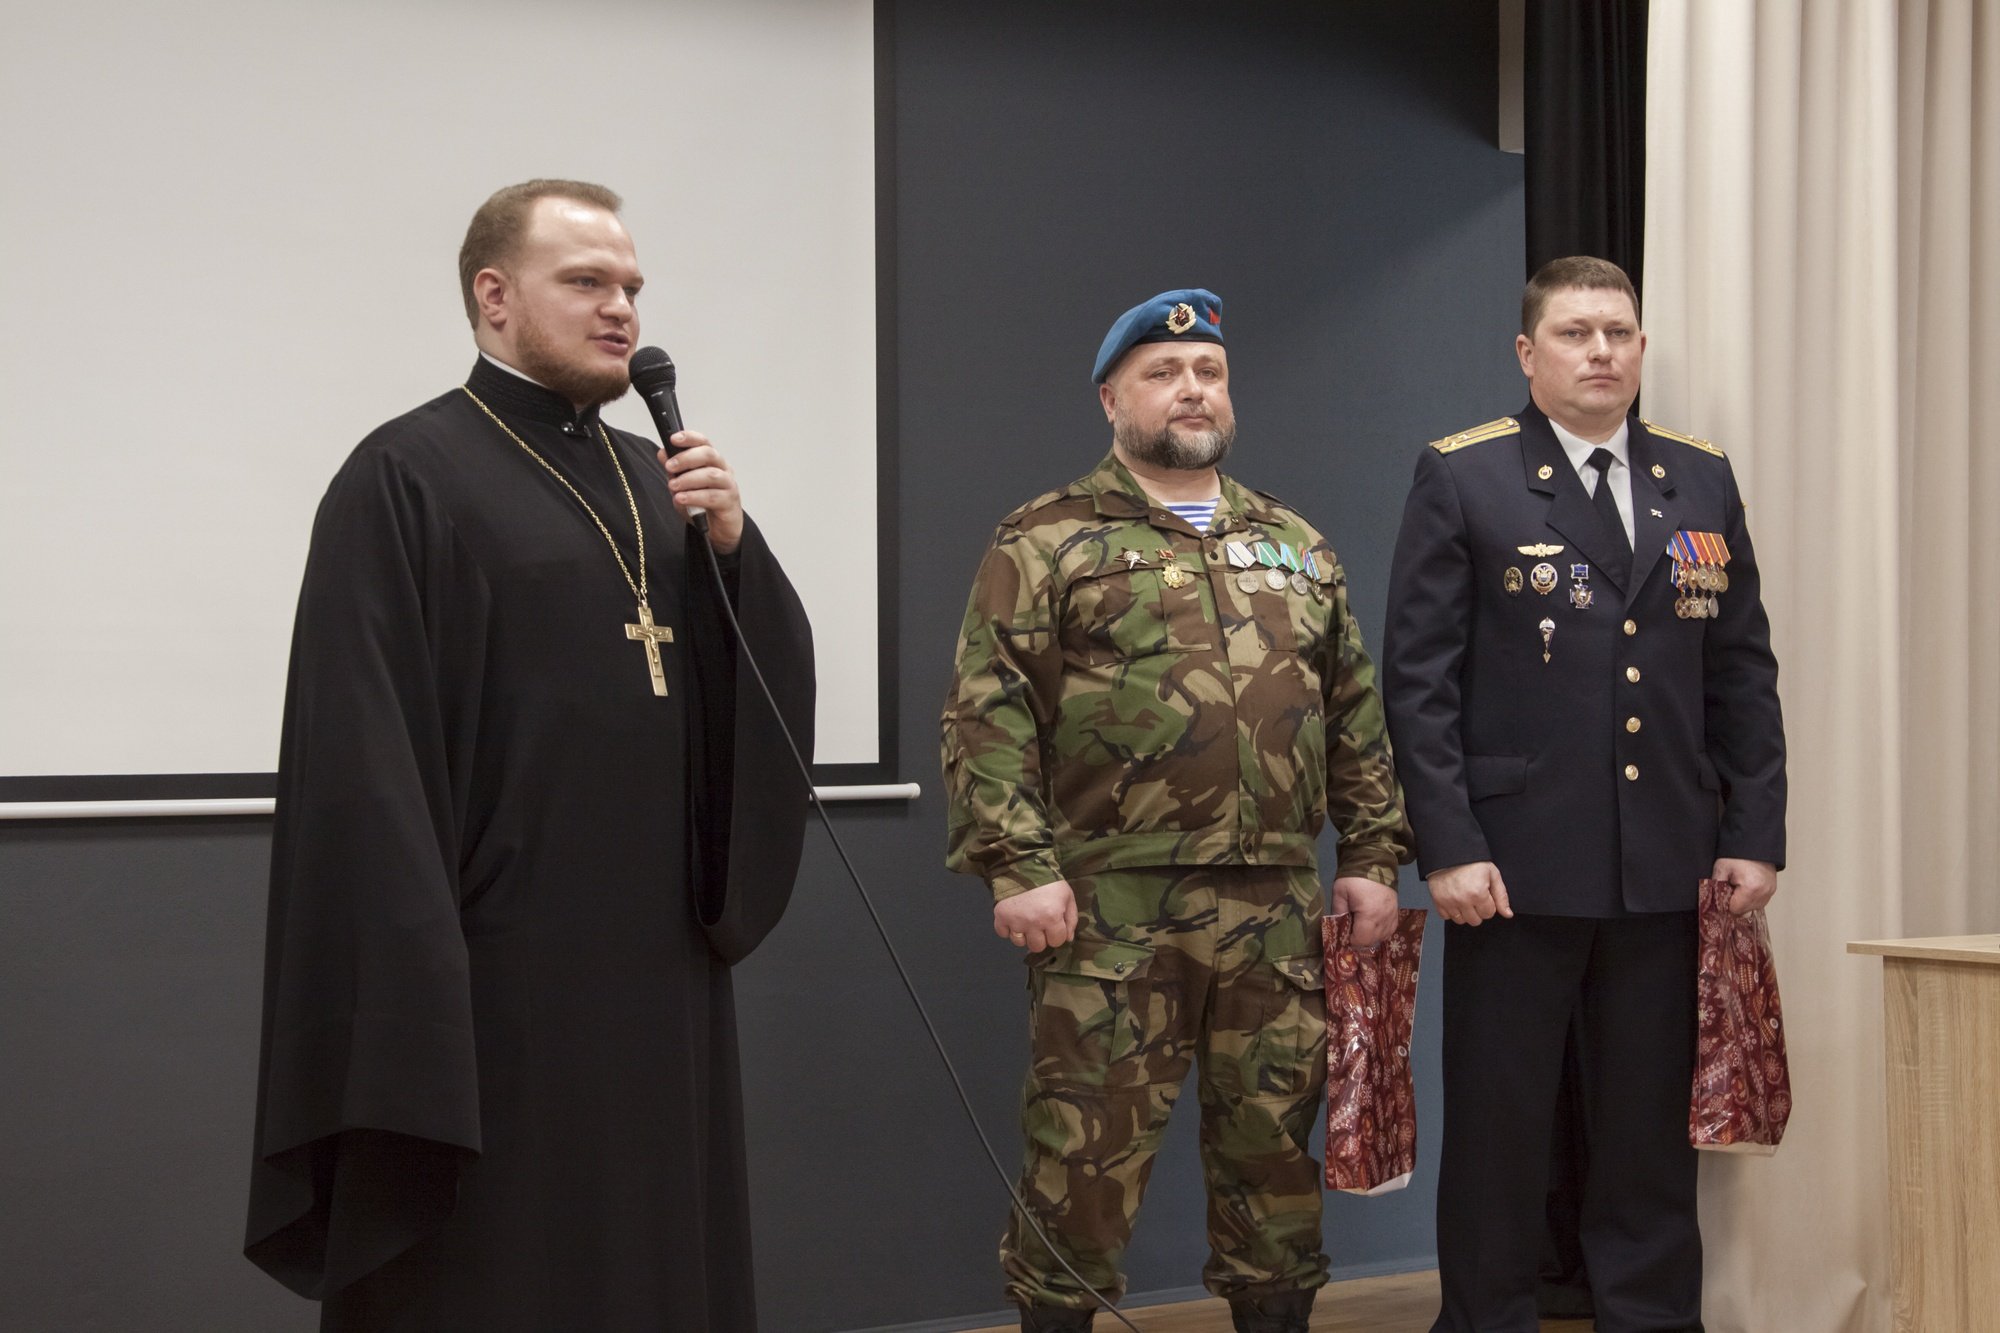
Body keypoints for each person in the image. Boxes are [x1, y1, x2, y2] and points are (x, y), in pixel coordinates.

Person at [243, 179, 816, 1331]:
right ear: (493, 296)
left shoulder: (653, 477)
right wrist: (415, 978)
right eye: (586, 282)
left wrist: (730, 554)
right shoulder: (404, 475)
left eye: (631, 287)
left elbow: (736, 699)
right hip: (496, 976)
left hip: (657, 967)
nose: (621, 310)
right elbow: (363, 756)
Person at [941, 289, 1411, 1333]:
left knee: (1273, 1161)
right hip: (1112, 907)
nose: (1191, 388)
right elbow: (987, 710)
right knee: (1083, 1156)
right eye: (1162, 372)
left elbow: (1352, 712)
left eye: (1209, 372)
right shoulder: (1047, 537)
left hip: (1278, 906)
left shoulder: (1295, 543)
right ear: (1111, 399)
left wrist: (1372, 856)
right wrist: (1016, 864)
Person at [1383, 256, 1786, 1332]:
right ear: (1528, 354)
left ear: (1642, 348)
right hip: (1512, 865)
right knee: (1501, 1124)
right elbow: (1418, 683)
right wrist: (1447, 844)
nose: (1599, 351)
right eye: (1574, 333)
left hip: (1665, 857)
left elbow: (1740, 670)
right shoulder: (1465, 475)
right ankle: (1488, 1317)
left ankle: (1651, 1314)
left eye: (1617, 332)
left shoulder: (1697, 477)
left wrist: (1754, 830)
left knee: (1647, 1128)